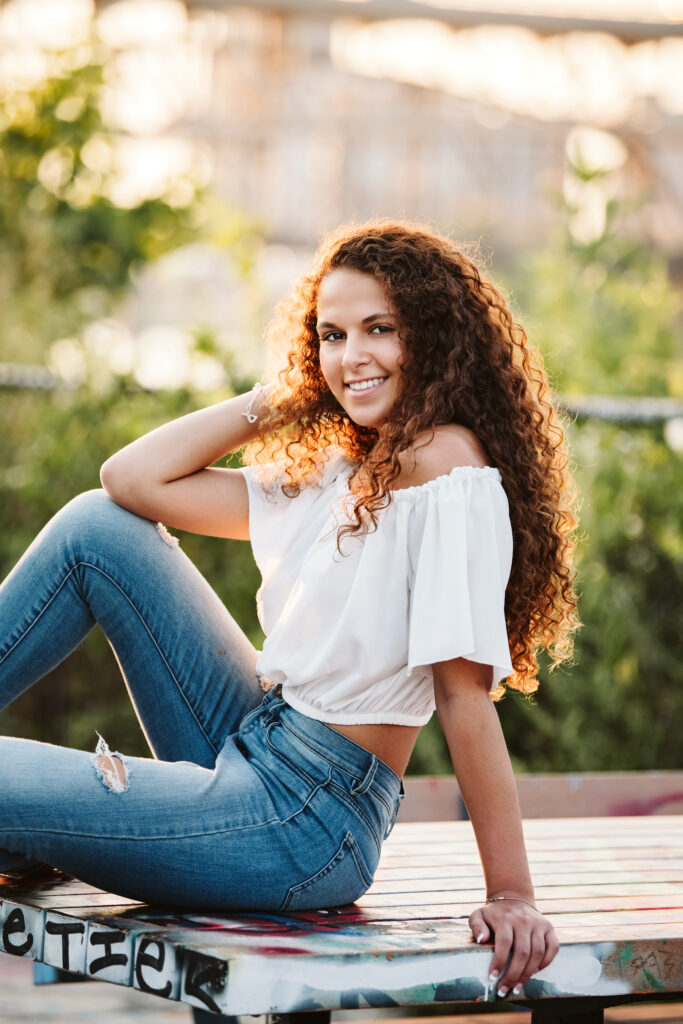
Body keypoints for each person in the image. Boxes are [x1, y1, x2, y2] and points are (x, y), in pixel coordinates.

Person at [0, 218, 578, 999]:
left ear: (435, 337)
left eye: (380, 329)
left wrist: (512, 893)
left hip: (305, 825)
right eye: (331, 335)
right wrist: (283, 396)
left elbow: (461, 694)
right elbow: (131, 482)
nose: (353, 356)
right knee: (94, 529)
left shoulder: (447, 472)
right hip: (254, 738)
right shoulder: (348, 466)